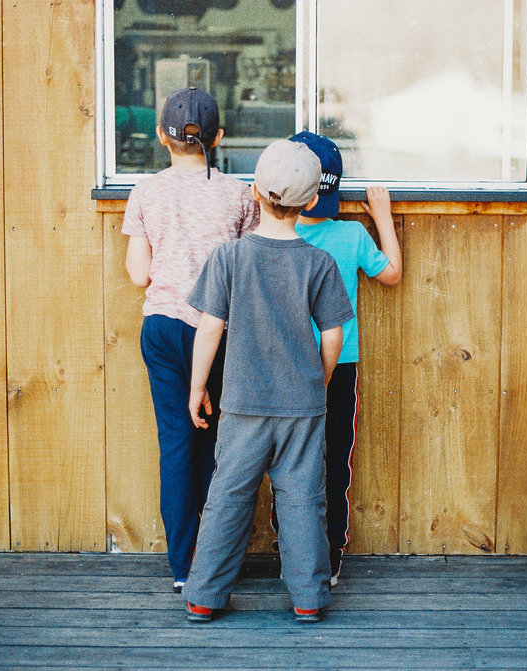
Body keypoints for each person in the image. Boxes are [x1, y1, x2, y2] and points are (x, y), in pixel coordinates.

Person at [182, 139, 355, 624]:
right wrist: (318, 382)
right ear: (308, 203)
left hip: (243, 405)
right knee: (303, 499)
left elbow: (210, 327)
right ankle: (309, 599)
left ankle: (204, 596)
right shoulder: (318, 263)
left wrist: (198, 388)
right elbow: (335, 334)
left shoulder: (230, 257)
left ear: (254, 191)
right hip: (302, 405)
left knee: (229, 496)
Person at [121, 87, 259, 594]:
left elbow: (139, 275)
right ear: (218, 138)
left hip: (162, 328)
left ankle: (183, 567)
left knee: (176, 444)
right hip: (219, 330)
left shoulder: (145, 191)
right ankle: (215, 558)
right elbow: (246, 267)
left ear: (161, 136)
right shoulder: (239, 194)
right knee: (220, 445)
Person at [270, 131, 402, 587]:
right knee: (333, 460)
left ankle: (287, 546)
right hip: (340, 366)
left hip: (285, 366)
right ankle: (327, 556)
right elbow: (392, 274)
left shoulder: (274, 235)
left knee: (286, 459)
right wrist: (382, 218)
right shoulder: (350, 233)